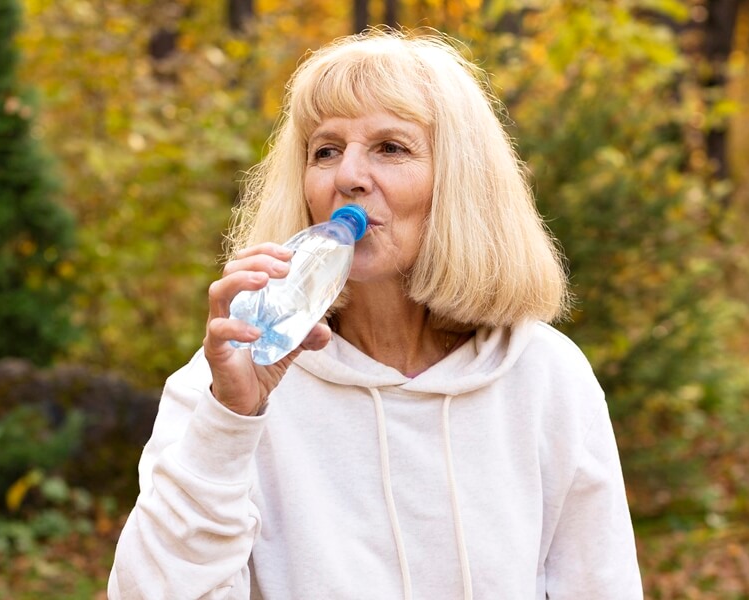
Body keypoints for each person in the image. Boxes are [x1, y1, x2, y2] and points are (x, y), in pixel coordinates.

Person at [107, 28, 642, 599]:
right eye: (326, 150)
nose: (348, 176)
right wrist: (230, 422)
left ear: (457, 183)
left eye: (390, 147)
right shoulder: (227, 383)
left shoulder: (545, 375)